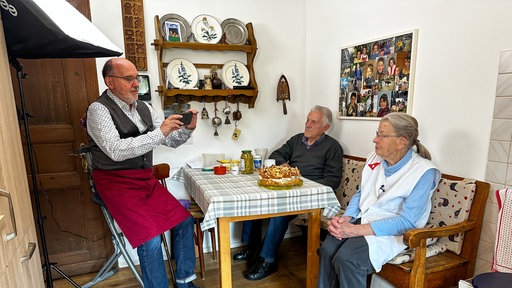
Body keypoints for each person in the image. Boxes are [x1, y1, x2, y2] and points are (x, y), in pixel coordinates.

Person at [85, 58, 201, 288]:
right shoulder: (98, 110)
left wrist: (187, 129)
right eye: (128, 79)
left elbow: (168, 138)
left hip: (143, 180)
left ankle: (184, 281)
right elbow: (116, 151)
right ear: (110, 81)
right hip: (115, 183)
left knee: (185, 222)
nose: (136, 84)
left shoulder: (144, 107)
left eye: (136, 78)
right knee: (149, 240)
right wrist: (160, 133)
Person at [317, 113, 440, 288]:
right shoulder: (374, 158)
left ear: (401, 142)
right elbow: (362, 192)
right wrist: (347, 218)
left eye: (382, 136)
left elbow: (408, 221)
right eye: (377, 133)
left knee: (348, 259)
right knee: (327, 250)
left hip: (393, 232)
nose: (375, 140)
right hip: (364, 219)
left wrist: (356, 230)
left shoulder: (424, 172)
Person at [233, 105, 343, 281]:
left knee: (279, 214)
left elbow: (332, 182)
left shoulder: (333, 148)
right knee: (254, 199)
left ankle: (267, 260)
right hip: (289, 189)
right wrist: (283, 163)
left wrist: (303, 185)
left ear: (325, 127)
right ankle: (252, 247)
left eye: (313, 122)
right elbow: (277, 154)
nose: (307, 124)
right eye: (307, 119)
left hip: (312, 196)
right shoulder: (297, 139)